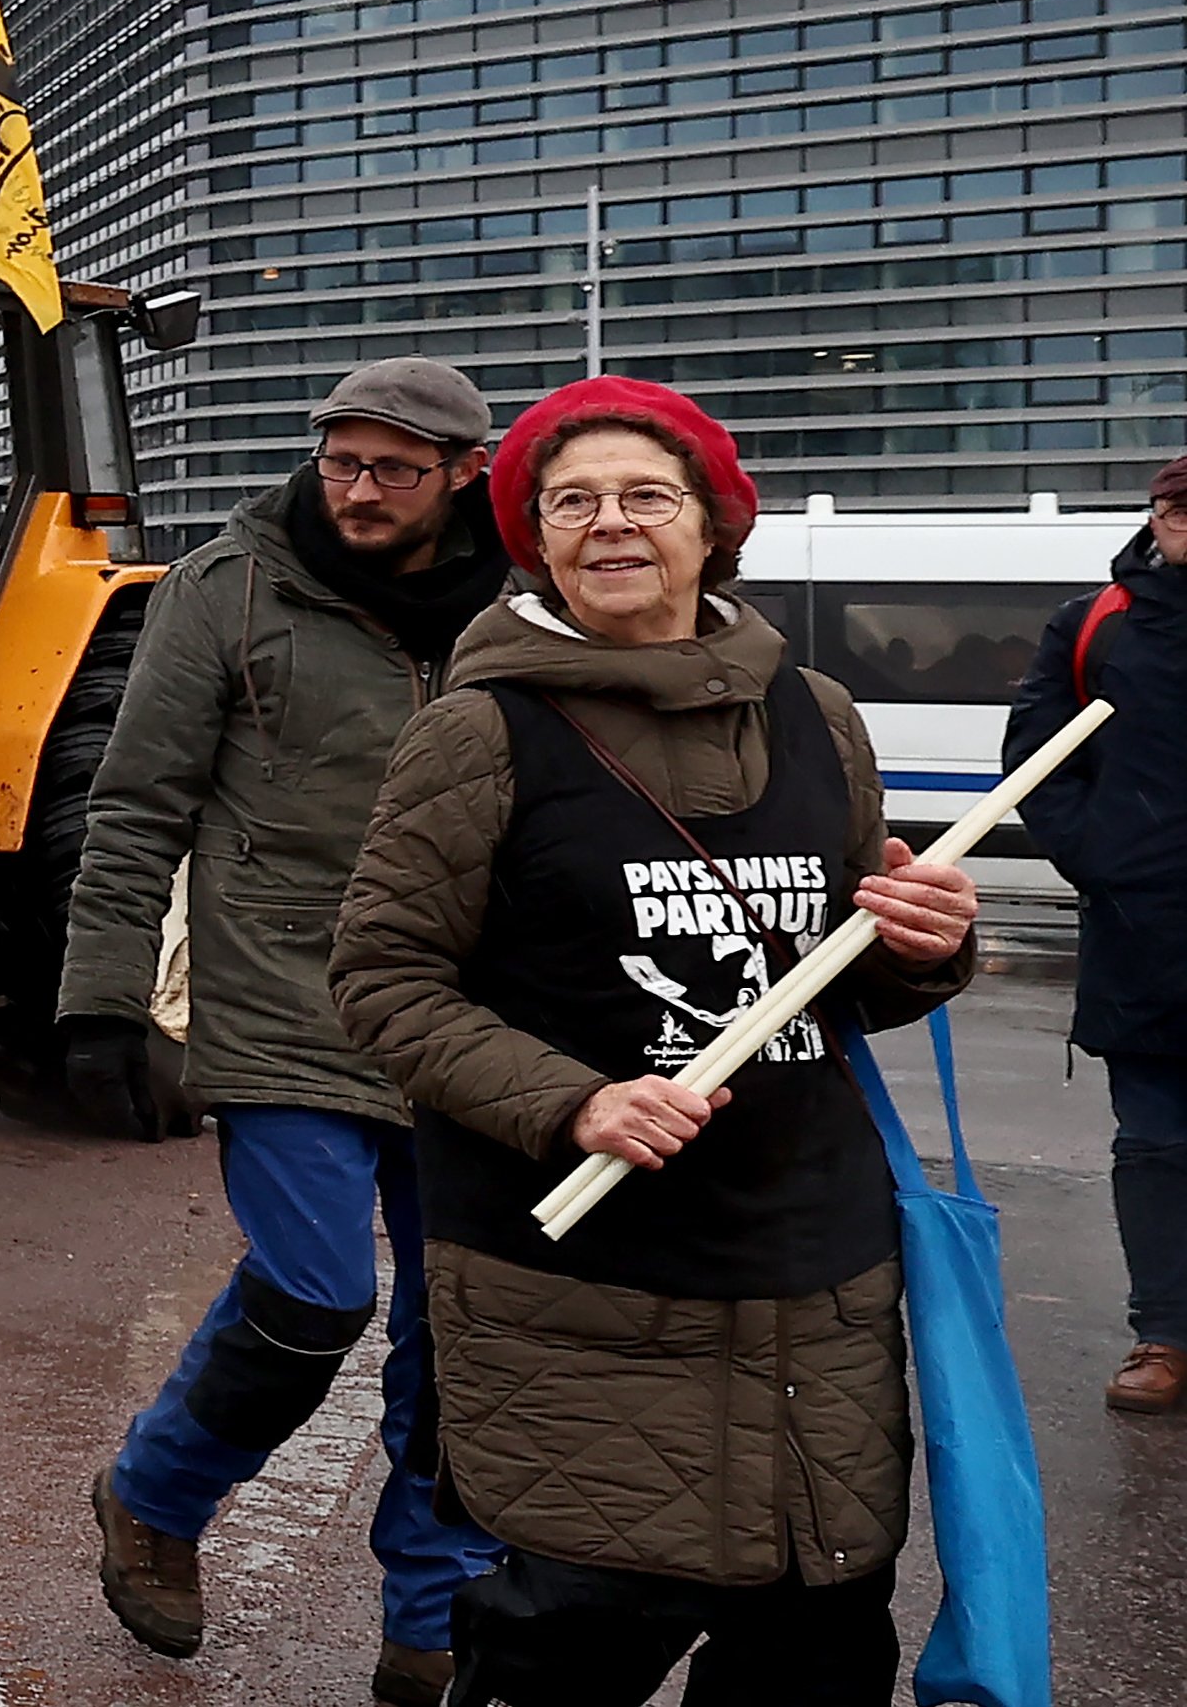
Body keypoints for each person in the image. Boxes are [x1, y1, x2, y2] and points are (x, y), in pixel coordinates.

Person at [328, 377, 982, 1705]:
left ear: (710, 525)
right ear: (534, 537)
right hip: (582, 1285)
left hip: (820, 1274)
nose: (610, 523)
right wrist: (573, 1101)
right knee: (570, 1639)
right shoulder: (478, 731)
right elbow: (384, 977)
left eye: (646, 495)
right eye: (572, 501)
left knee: (819, 1638)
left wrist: (929, 939)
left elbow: (850, 976)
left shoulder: (819, 716)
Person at [60, 359, 509, 1706]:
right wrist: (100, 999)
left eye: (392, 470)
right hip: (285, 996)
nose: (358, 491)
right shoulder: (228, 587)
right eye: (339, 463)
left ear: (463, 475)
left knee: (465, 1325)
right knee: (317, 1294)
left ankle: (433, 1618)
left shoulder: (517, 603)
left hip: (474, 1019)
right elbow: (136, 806)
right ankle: (154, 1491)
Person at [1008, 449, 1187, 1413]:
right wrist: (1104, 858)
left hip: (1139, 922)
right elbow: (1036, 758)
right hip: (1144, 936)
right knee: (1153, 1145)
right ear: (1153, 513)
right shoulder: (1095, 626)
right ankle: (1165, 1335)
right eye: (1175, 501)